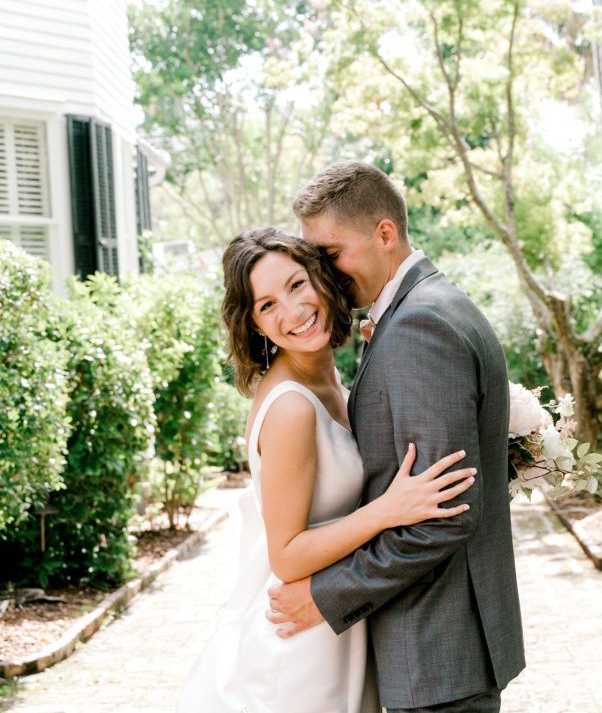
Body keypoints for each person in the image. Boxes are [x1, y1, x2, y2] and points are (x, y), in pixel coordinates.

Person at [177, 228, 476, 713]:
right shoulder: (291, 408)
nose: (292, 312)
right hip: (299, 652)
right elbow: (288, 556)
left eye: (296, 285)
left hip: (339, 631)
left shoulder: (329, 376)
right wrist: (386, 511)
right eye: (267, 305)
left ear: (320, 276)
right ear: (254, 324)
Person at [267, 162, 526, 713]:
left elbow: (444, 515)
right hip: (442, 649)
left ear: (385, 233)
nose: (325, 274)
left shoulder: (418, 327)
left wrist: (323, 597)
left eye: (331, 254)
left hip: (435, 649)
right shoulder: (422, 308)